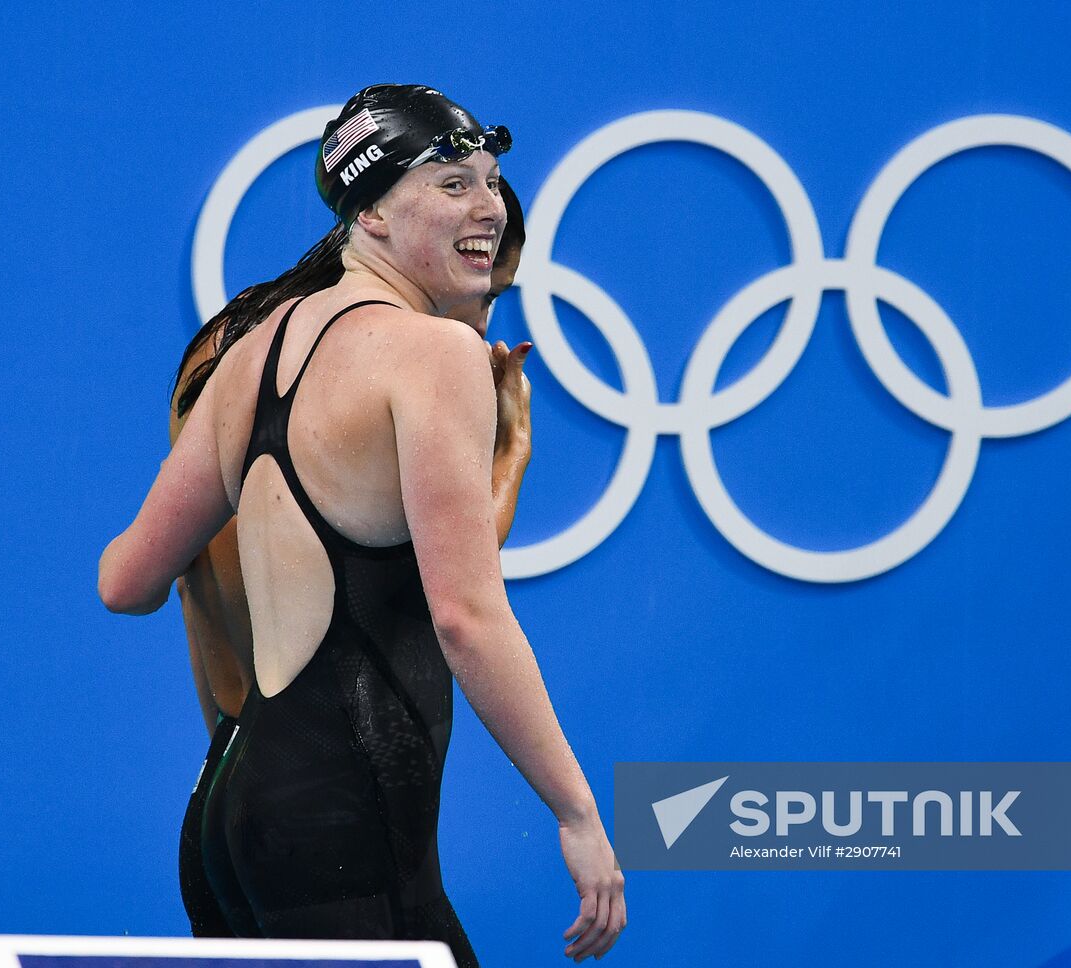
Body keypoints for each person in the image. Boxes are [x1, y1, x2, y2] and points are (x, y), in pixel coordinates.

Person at [99, 84, 625, 964]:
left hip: (233, 814)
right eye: (453, 184)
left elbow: (125, 581)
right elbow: (465, 616)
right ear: (371, 212)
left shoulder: (250, 355)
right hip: (342, 826)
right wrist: (575, 812)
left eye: (492, 183)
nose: (489, 207)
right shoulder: (436, 353)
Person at [169, 179, 534, 939]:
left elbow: (143, 576)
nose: (483, 320)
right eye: (485, 285)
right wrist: (509, 459)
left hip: (228, 785)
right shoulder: (394, 364)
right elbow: (436, 596)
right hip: (328, 799)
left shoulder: (239, 351)